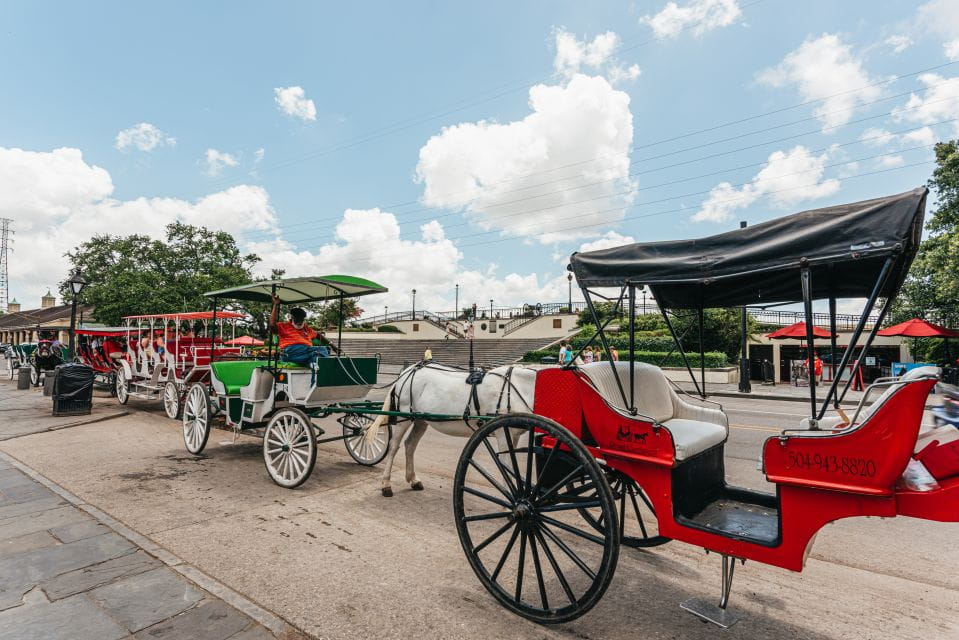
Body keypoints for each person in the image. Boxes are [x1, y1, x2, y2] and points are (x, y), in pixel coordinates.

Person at [270, 294, 338, 368]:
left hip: (306, 352)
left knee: (323, 350)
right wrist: (275, 305)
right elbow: (272, 325)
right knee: (319, 351)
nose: (299, 322)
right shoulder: (283, 326)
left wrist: (332, 345)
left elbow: (318, 335)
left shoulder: (306, 328)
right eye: (297, 320)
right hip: (290, 352)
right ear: (292, 318)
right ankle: (312, 362)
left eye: (301, 320)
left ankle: (312, 365)